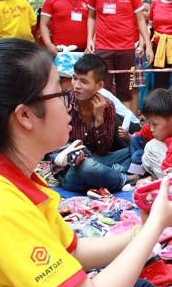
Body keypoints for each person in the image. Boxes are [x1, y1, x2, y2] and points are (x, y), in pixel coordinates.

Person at [0, 38, 172, 287]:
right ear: (25, 115)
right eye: (60, 95)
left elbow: (73, 250)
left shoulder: (13, 178)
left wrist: (146, 229)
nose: (68, 104)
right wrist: (156, 227)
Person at [53, 54, 138, 193]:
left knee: (139, 148)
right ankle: (123, 178)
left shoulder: (107, 105)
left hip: (98, 161)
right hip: (70, 172)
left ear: (99, 85)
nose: (76, 86)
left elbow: (103, 150)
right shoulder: (62, 102)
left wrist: (99, 119)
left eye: (84, 82)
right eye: (74, 78)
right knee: (87, 167)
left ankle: (107, 174)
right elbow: (55, 151)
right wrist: (73, 157)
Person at [87, 0, 154, 113]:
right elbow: (91, 16)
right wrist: (90, 38)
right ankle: (105, 126)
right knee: (103, 91)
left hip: (126, 49)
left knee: (126, 92)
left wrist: (148, 45)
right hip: (103, 49)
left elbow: (140, 19)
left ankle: (123, 129)